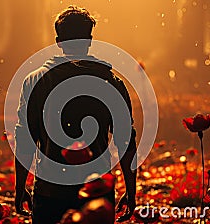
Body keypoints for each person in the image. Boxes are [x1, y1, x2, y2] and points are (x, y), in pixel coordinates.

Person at [14, 6, 137, 223]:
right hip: (97, 192)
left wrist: (20, 187)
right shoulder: (111, 82)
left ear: (58, 41)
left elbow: (25, 139)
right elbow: (126, 141)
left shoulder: (35, 81)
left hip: (50, 192)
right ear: (89, 40)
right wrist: (131, 189)